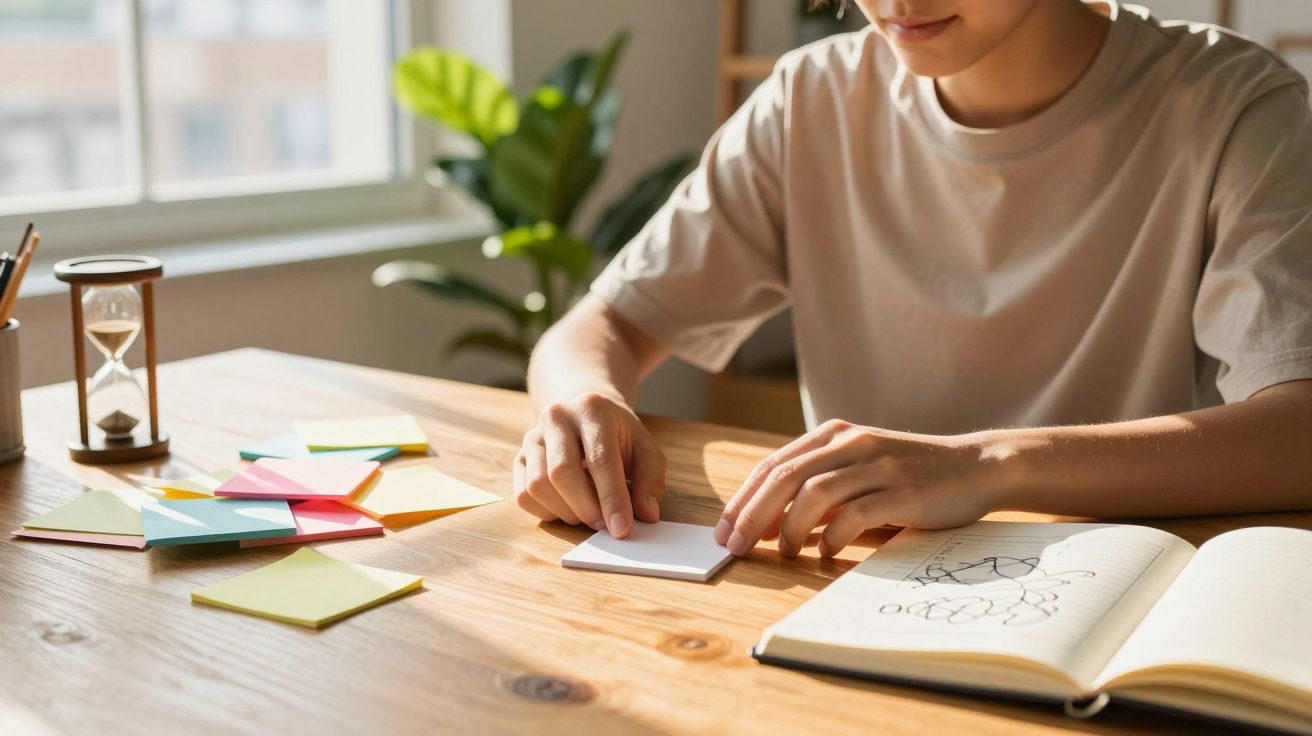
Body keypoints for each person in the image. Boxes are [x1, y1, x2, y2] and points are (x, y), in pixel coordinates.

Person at [512, 0, 1312, 559]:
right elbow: (600, 328)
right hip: (851, 581)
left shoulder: (1237, 106)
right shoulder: (810, 98)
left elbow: (1299, 430)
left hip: (1122, 594)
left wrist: (988, 467)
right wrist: (582, 402)